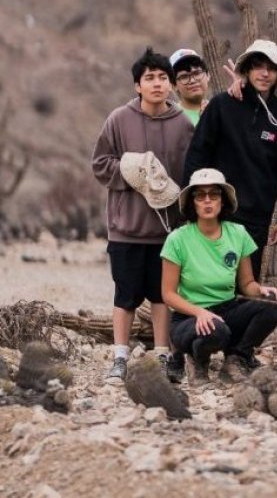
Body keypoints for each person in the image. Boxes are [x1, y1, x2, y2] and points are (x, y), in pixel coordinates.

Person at [91, 47, 194, 382]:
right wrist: (130, 171)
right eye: (149, 78)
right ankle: (119, 358)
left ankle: (162, 356)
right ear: (137, 85)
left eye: (163, 78)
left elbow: (192, 173)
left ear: (171, 84)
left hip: (169, 231)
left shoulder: (182, 123)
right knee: (126, 295)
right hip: (126, 228)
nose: (157, 84)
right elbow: (100, 164)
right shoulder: (118, 119)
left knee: (163, 296)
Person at [184, 40, 277, 281]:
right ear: (247, 69)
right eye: (258, 66)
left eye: (272, 68)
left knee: (245, 285)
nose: (265, 73)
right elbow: (197, 154)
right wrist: (189, 205)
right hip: (215, 211)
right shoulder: (222, 105)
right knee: (208, 281)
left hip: (257, 218)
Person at [161, 169, 277, 385]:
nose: (207, 201)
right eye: (200, 195)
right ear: (192, 203)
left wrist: (262, 290)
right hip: (188, 318)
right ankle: (197, 361)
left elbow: (246, 284)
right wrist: (199, 312)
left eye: (214, 194)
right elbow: (168, 295)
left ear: (223, 200)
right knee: (217, 331)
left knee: (274, 304)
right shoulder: (177, 239)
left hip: (227, 309)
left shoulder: (238, 233)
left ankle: (238, 358)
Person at [169, 48, 210, 125]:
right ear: (174, 85)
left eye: (197, 73)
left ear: (208, 75)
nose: (192, 81)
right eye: (184, 77)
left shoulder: (221, 110)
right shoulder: (170, 119)